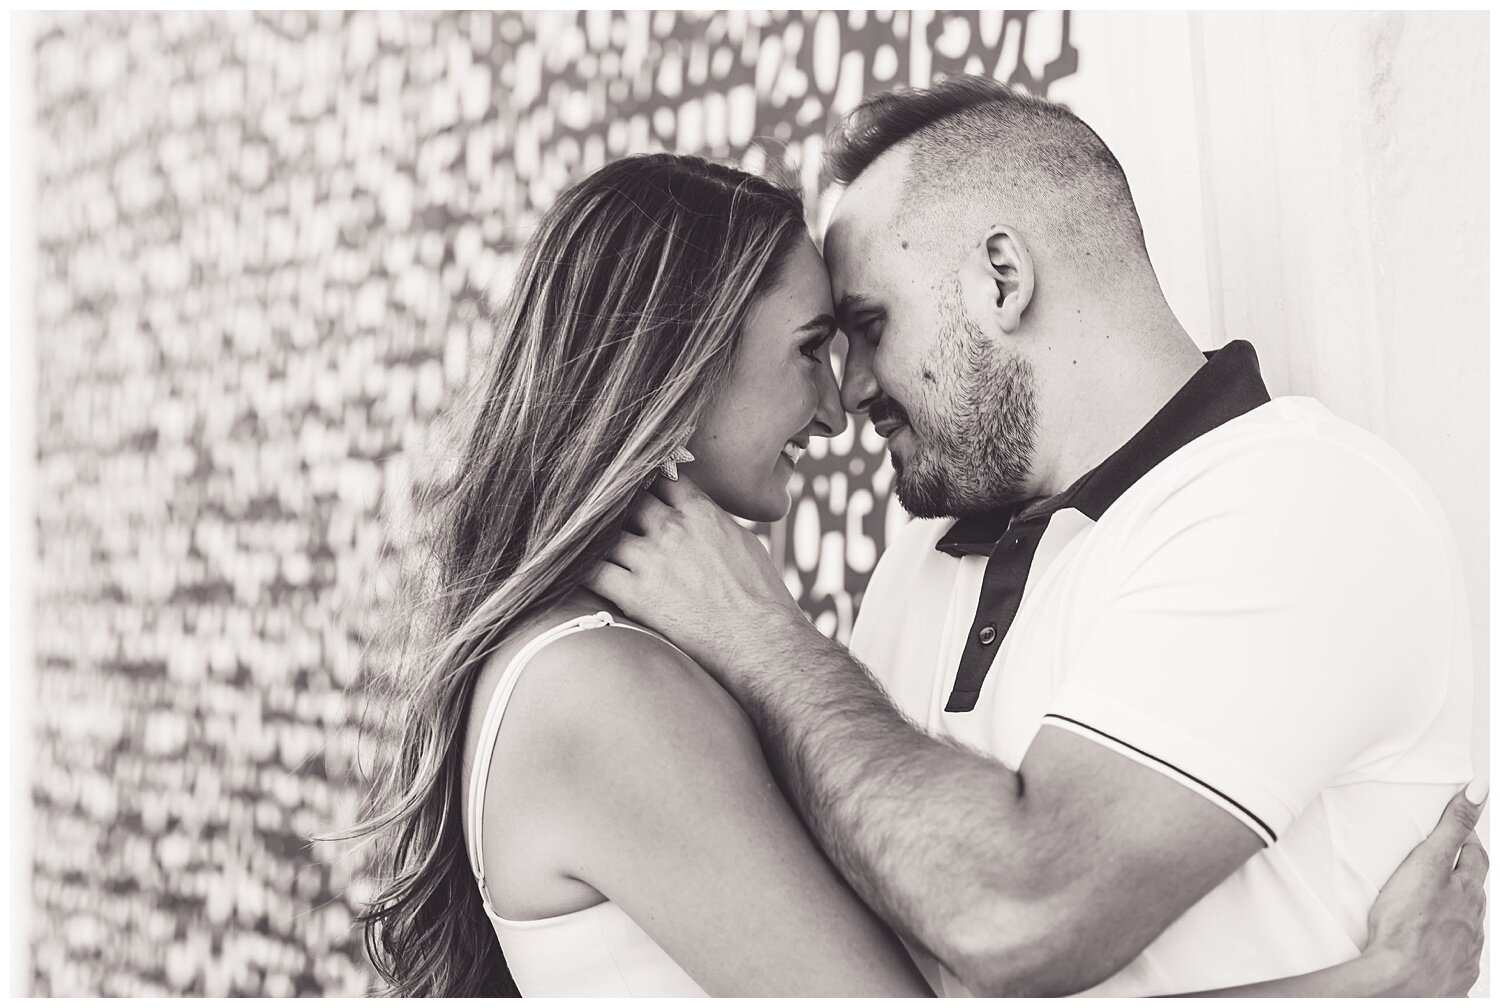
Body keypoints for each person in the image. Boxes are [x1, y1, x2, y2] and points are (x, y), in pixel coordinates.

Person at [345, 153, 1482, 998]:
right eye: (813, 349)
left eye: (861, 335)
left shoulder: (623, 661)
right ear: (679, 363)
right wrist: (1363, 991)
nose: (841, 405)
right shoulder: (604, 693)